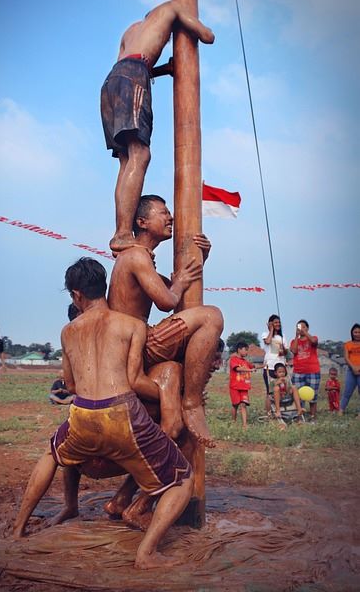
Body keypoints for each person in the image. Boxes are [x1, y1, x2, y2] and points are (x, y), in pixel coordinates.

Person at [13, 258, 193, 570]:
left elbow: (69, 383)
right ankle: (146, 553)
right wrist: (167, 394)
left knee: (52, 453)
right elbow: (136, 380)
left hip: (82, 415)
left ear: (76, 295)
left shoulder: (68, 331)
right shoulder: (132, 325)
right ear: (103, 288)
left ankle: (17, 530)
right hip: (123, 415)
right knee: (183, 481)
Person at [108, 194, 224, 447]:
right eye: (163, 212)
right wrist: (180, 283)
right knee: (211, 316)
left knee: (171, 371)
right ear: (142, 222)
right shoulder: (136, 256)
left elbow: (178, 291)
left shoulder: (141, 259)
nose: (170, 217)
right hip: (135, 345)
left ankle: (151, 470)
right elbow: (168, 301)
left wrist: (200, 258)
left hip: (133, 346)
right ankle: (192, 403)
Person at [100, 1, 215, 254]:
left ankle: (120, 231)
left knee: (126, 160)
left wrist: (166, 69)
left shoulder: (131, 30)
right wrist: (185, 23)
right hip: (134, 76)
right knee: (141, 154)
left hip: (111, 82)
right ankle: (121, 233)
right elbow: (208, 36)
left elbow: (130, 62)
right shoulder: (172, 7)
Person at [290, 320, 321, 418]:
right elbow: (294, 351)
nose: (301, 329)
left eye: (303, 327)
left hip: (313, 371)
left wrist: (305, 333)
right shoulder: (294, 341)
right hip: (298, 372)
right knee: (298, 396)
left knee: (312, 395)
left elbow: (313, 342)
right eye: (299, 327)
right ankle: (300, 417)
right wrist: (296, 336)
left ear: (307, 328)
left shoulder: (313, 337)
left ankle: (312, 416)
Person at [261, 314, 288, 414]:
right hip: (269, 367)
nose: (278, 324)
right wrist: (271, 329)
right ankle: (269, 413)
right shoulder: (265, 334)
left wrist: (283, 349)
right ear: (271, 323)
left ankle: (280, 410)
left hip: (280, 367)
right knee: (270, 391)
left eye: (279, 322)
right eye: (275, 322)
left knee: (281, 389)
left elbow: (285, 353)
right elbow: (267, 342)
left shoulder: (282, 336)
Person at [228, 342, 254, 429]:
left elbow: (252, 366)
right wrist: (249, 370)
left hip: (244, 387)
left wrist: (263, 365)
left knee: (243, 405)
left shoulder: (245, 362)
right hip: (235, 387)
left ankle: (245, 424)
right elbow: (237, 368)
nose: (247, 352)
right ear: (239, 350)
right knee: (235, 405)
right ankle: (233, 422)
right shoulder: (233, 360)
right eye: (245, 350)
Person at [339, 323, 360, 416]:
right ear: (352, 333)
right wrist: (353, 367)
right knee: (347, 392)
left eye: (359, 332)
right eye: (355, 332)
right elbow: (346, 358)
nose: (357, 334)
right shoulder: (348, 344)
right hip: (351, 371)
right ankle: (341, 410)